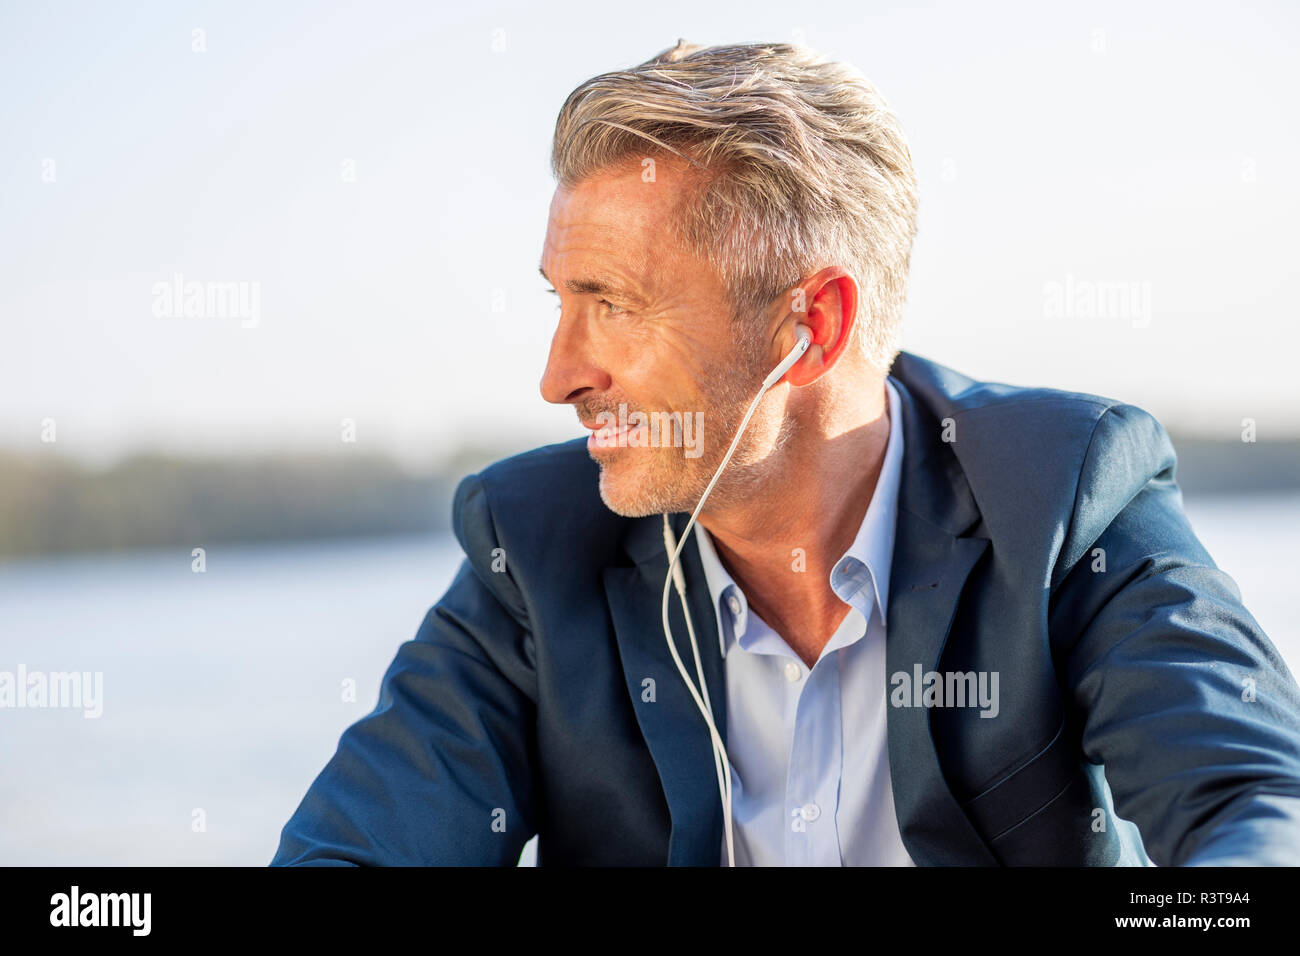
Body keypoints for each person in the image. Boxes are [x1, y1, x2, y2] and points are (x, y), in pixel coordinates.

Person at [272, 40, 1300, 866]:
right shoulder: (533, 550)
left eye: (614, 305)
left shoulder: (1066, 491)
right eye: (561, 300)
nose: (559, 376)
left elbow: (1255, 805)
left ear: (810, 324)